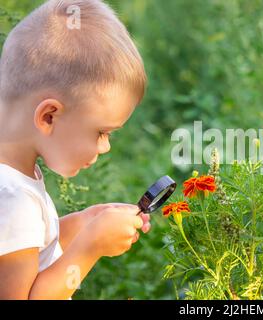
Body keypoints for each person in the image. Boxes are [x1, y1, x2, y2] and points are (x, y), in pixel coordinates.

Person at [0, 0, 151, 299]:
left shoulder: (14, 176)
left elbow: (30, 249)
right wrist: (90, 247)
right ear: (49, 117)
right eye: (101, 132)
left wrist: (83, 223)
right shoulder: (13, 198)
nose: (105, 147)